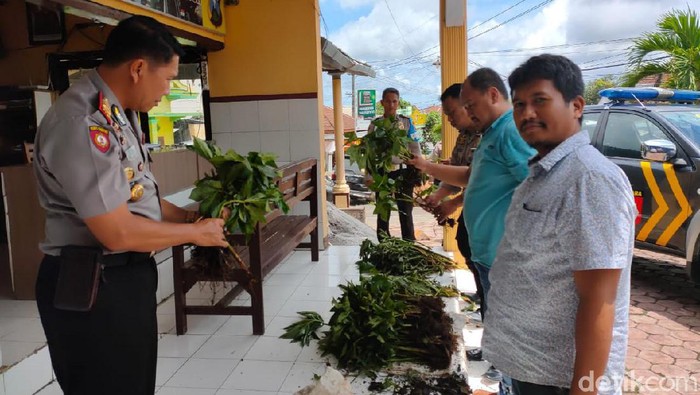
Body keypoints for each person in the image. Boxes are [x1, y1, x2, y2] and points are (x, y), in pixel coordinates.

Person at [33, 16, 228, 395]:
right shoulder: (82, 122)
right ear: (138, 68)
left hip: (123, 278)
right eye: (168, 78)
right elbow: (117, 231)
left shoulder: (116, 114)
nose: (167, 90)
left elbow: (140, 201)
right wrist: (193, 233)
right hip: (91, 285)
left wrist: (192, 218)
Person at [482, 54, 635, 395]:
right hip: (529, 367)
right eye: (519, 104)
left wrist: (583, 389)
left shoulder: (588, 178)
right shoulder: (545, 173)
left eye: (540, 101)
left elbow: (600, 299)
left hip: (559, 381)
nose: (527, 114)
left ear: (577, 105)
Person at [408, 69, 535, 392]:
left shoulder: (509, 132)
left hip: (502, 251)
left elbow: (534, 187)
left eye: (470, 104)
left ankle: (505, 377)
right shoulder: (492, 132)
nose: (466, 112)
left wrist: (427, 167)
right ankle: (497, 359)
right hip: (487, 251)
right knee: (492, 311)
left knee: (509, 329)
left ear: (493, 94)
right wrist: (438, 188)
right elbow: (472, 177)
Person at [423, 83, 484, 318]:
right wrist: (437, 196)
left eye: (452, 113)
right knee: (466, 246)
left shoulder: (484, 138)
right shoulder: (463, 137)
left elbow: (477, 179)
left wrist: (454, 202)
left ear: (468, 107)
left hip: (485, 213)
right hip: (471, 212)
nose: (449, 119)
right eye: (446, 115)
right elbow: (457, 174)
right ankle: (482, 292)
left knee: (479, 256)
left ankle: (487, 299)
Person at [367, 87, 421, 241]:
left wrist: (419, 170)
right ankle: (384, 244)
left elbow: (415, 147)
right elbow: (370, 153)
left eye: (394, 101)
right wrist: (369, 175)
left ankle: (409, 244)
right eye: (388, 101)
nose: (391, 105)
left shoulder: (406, 122)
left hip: (403, 173)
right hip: (382, 174)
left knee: (405, 210)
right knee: (383, 210)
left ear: (398, 103)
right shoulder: (375, 125)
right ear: (382, 103)